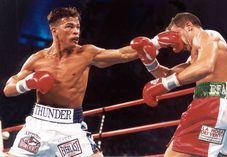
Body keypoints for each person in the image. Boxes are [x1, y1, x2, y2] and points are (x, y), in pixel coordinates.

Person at [3, 7, 138, 157]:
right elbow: (8, 89)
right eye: (69, 26)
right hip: (37, 126)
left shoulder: (86, 53)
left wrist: (155, 43)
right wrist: (27, 84)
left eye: (78, 27)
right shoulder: (37, 58)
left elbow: (123, 54)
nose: (76, 31)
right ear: (54, 31)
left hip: (70, 128)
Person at [130, 12, 227, 157]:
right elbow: (168, 74)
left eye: (176, 34)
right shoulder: (196, 55)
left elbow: (206, 66)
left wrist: (165, 85)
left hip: (213, 104)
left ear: (188, 26)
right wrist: (149, 61)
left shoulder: (207, 35)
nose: (173, 41)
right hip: (226, 106)